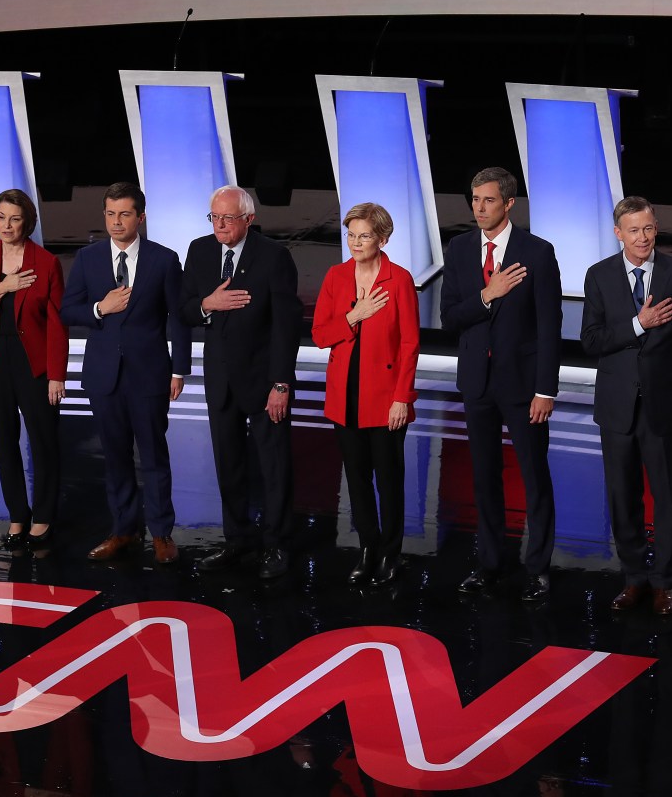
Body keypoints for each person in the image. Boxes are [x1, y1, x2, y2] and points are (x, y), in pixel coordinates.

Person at [441, 167, 562, 603]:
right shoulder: (458, 249)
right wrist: (487, 295)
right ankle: (490, 563)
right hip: (477, 382)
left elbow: (550, 326)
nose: (478, 208)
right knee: (483, 476)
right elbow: (450, 317)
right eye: (474, 199)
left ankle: (538, 567)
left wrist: (545, 389)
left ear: (509, 204)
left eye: (488, 200)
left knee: (534, 476)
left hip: (523, 385)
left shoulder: (538, 252)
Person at [581, 196, 672, 616]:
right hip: (617, 408)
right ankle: (634, 577)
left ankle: (665, 583)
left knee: (668, 496)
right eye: (634, 230)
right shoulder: (598, 276)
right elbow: (592, 341)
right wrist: (640, 323)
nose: (643, 237)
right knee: (623, 496)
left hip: (665, 405)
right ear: (618, 233)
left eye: (649, 228)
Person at [60, 182, 191, 563]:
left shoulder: (164, 260)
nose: (116, 222)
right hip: (104, 375)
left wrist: (179, 369)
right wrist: (100, 308)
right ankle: (123, 530)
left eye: (125, 214)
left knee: (153, 456)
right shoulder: (87, 258)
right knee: (115, 456)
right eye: (110, 214)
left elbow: (178, 321)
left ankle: (162, 533)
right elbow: (69, 310)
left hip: (149, 375)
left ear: (141, 217)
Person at [180, 185, 301, 578]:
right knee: (228, 464)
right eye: (214, 217)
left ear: (248, 219)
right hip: (220, 379)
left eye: (228, 218)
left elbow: (286, 326)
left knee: (273, 466)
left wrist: (281, 383)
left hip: (264, 381)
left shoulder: (274, 256)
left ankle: (277, 545)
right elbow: (182, 308)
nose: (220, 225)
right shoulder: (199, 251)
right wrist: (205, 305)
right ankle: (237, 541)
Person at [311, 202, 420, 585]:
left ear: (383, 238)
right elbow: (320, 335)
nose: (356, 243)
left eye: (365, 236)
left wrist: (402, 397)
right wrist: (354, 316)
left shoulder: (400, 279)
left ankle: (392, 554)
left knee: (388, 480)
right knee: (356, 481)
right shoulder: (336, 277)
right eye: (351, 235)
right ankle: (368, 548)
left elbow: (410, 344)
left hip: (386, 398)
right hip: (345, 396)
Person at [0, 189, 68, 556]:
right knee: (4, 439)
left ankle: (44, 515)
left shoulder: (46, 262)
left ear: (28, 222)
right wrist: (1, 288)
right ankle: (17, 514)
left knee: (44, 440)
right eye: (1, 217)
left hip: (33, 361)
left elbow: (56, 324)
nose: (7, 225)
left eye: (15, 218)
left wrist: (56, 374)